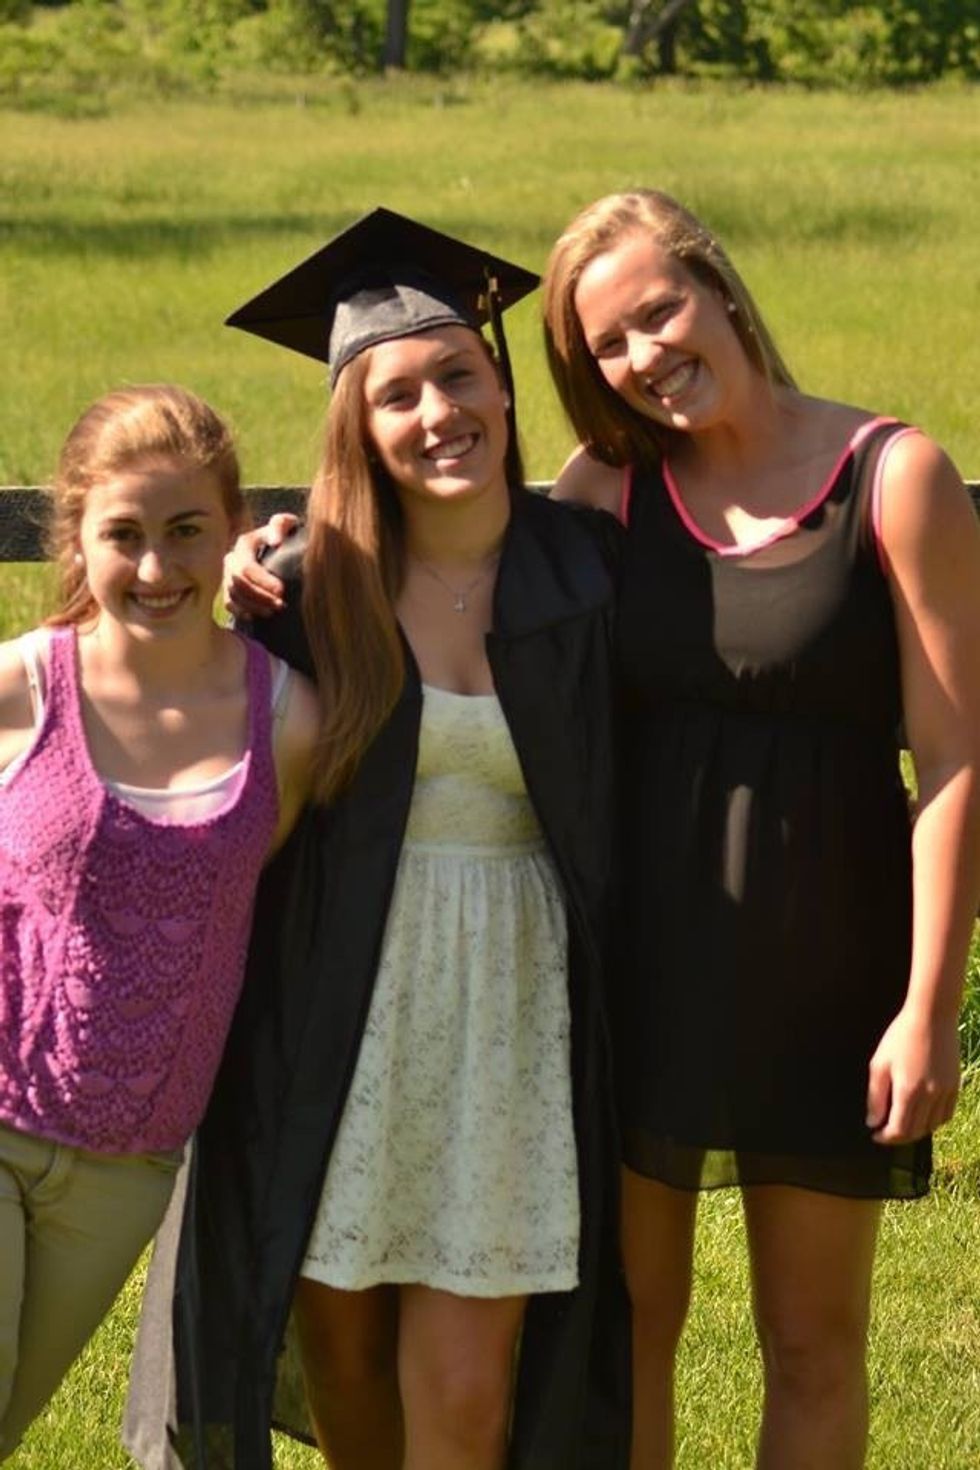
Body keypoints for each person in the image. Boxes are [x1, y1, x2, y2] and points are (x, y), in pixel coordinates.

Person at [123, 210, 630, 1470]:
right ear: (357, 425)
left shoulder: (589, 574)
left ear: (500, 384)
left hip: (513, 1010)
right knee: (345, 1369)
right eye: (396, 394)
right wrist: (226, 569)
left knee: (462, 1392)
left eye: (457, 375)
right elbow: (151, 699)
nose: (436, 413)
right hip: (338, 1003)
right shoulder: (306, 591)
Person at [540, 188, 980, 1469]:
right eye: (606, 345)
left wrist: (925, 1007)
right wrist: (283, 558)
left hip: (825, 981)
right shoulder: (605, 492)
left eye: (657, 311)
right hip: (636, 977)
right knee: (628, 1333)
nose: (644, 355)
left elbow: (953, 760)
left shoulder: (893, 477)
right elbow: (451, 595)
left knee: (810, 1344)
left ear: (717, 287)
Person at [0, 385, 319, 1458]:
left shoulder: (292, 721)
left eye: (186, 531)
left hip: (128, 1169)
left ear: (234, 531)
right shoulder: (22, 688)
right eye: (123, 535)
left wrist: (303, 559)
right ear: (76, 541)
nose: (154, 567)